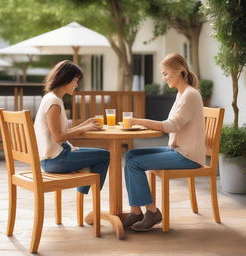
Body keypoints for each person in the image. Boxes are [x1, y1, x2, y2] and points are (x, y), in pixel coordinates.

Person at [123, 53, 206, 232]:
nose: (164, 77)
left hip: (188, 156)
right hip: (177, 150)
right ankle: (136, 211)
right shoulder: (182, 93)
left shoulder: (190, 95)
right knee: (130, 155)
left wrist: (139, 120)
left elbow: (170, 126)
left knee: (135, 162)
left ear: (179, 71)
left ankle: (151, 212)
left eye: (166, 73)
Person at [34, 60, 110, 195]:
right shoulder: (54, 102)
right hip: (55, 160)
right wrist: (83, 129)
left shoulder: (50, 98)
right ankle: (92, 197)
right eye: (75, 80)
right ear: (65, 78)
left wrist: (84, 124)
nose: (76, 84)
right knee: (104, 155)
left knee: (97, 154)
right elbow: (58, 137)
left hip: (50, 158)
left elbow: (58, 132)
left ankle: (84, 192)